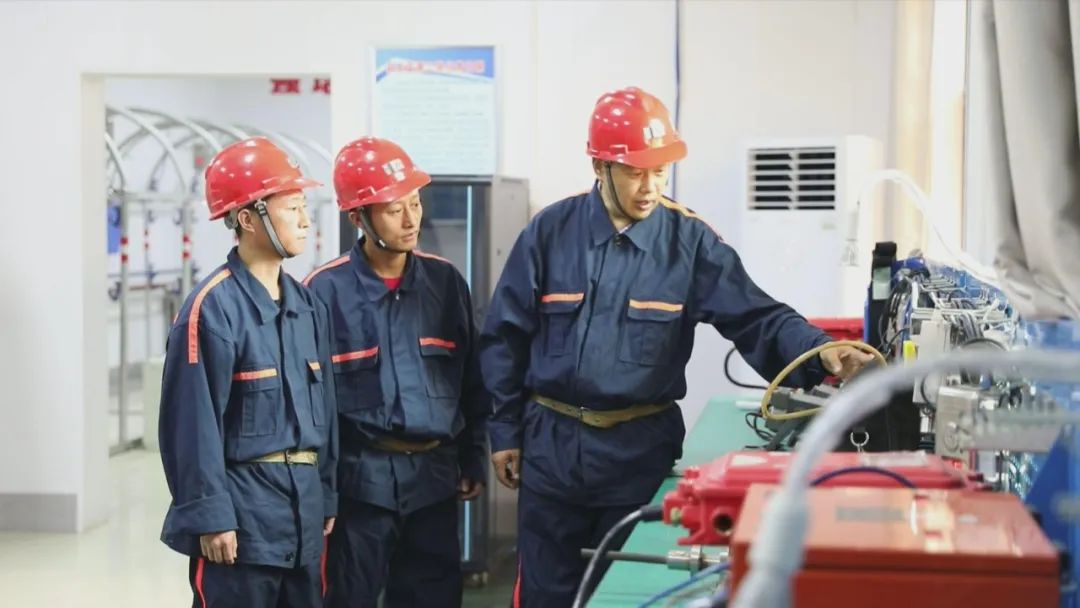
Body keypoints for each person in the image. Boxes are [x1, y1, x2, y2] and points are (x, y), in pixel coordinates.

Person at [480, 86, 874, 606]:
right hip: (551, 449)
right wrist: (504, 431)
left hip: (636, 455)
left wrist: (819, 351)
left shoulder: (689, 243)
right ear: (600, 166)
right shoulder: (549, 233)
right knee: (545, 595)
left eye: (660, 171)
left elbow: (756, 315)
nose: (650, 187)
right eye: (635, 172)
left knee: (626, 594)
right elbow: (504, 337)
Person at [304, 137, 489, 608]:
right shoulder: (322, 293)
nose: (411, 221)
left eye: (415, 204)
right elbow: (310, 410)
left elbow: (472, 382)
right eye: (393, 210)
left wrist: (473, 458)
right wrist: (320, 493)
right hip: (359, 490)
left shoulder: (446, 283)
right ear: (358, 218)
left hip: (434, 483)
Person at [158, 137, 339, 608]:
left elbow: (327, 413)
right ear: (247, 218)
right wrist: (211, 517)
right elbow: (191, 427)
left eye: (304, 208)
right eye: (293, 208)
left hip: (302, 519)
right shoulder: (210, 310)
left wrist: (327, 494)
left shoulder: (308, 306)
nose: (305, 220)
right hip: (241, 526)